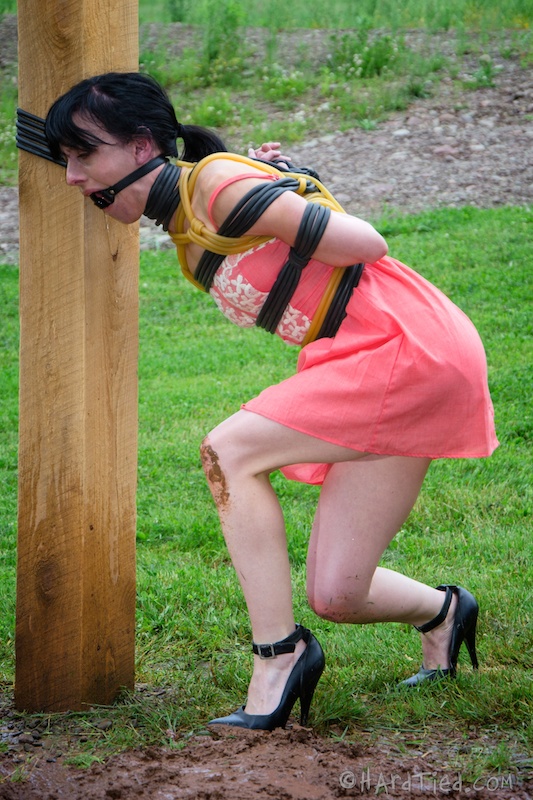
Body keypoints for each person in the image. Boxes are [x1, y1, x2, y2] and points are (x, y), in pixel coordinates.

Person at [45, 72, 498, 732]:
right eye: (65, 159)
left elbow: (367, 244)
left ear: (142, 147)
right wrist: (279, 190)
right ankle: (444, 612)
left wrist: (279, 197)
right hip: (368, 352)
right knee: (338, 592)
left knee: (227, 452)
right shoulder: (191, 220)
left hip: (405, 345)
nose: (72, 177)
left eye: (84, 155)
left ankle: (279, 656)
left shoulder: (217, 188)